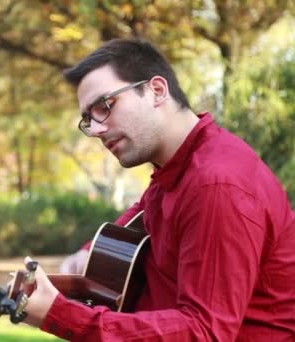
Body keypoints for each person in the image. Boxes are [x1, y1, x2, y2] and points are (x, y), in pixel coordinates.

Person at [22, 39, 295, 341]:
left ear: (157, 91)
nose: (97, 129)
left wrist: (61, 314)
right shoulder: (176, 170)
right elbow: (140, 215)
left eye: (105, 106)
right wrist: (85, 256)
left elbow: (204, 332)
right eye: (88, 118)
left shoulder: (218, 185)